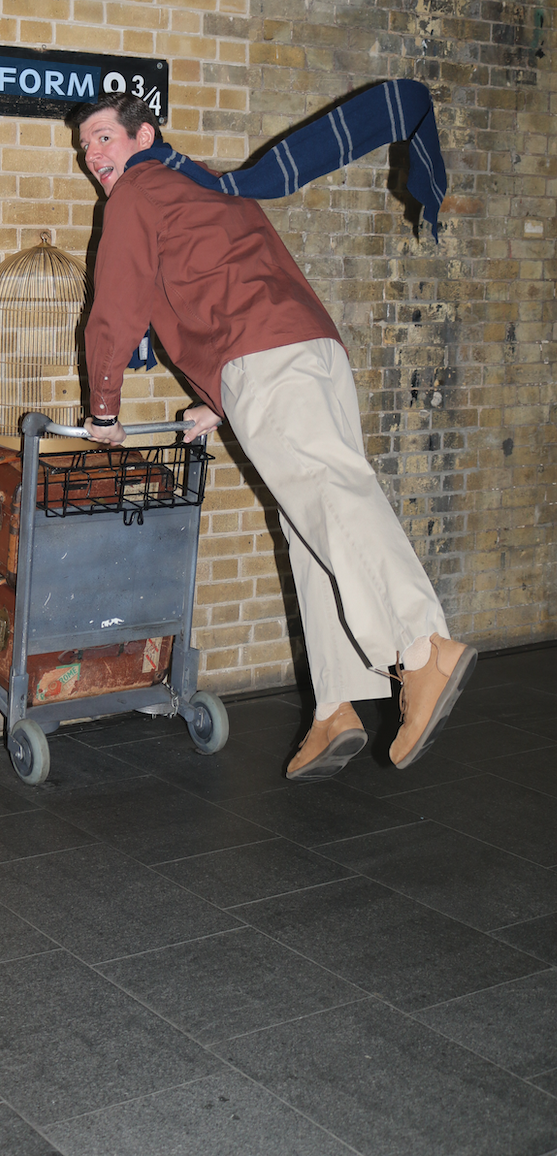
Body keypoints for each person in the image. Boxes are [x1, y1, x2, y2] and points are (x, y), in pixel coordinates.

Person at [65, 91, 475, 780]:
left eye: (104, 138)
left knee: (327, 495)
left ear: (145, 133)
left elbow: (117, 307)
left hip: (269, 364)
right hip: (307, 354)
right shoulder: (205, 187)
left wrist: (103, 411)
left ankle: (422, 646)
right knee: (309, 523)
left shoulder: (139, 193)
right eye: (85, 149)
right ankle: (334, 707)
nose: (94, 157)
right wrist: (218, 404)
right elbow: (235, 287)